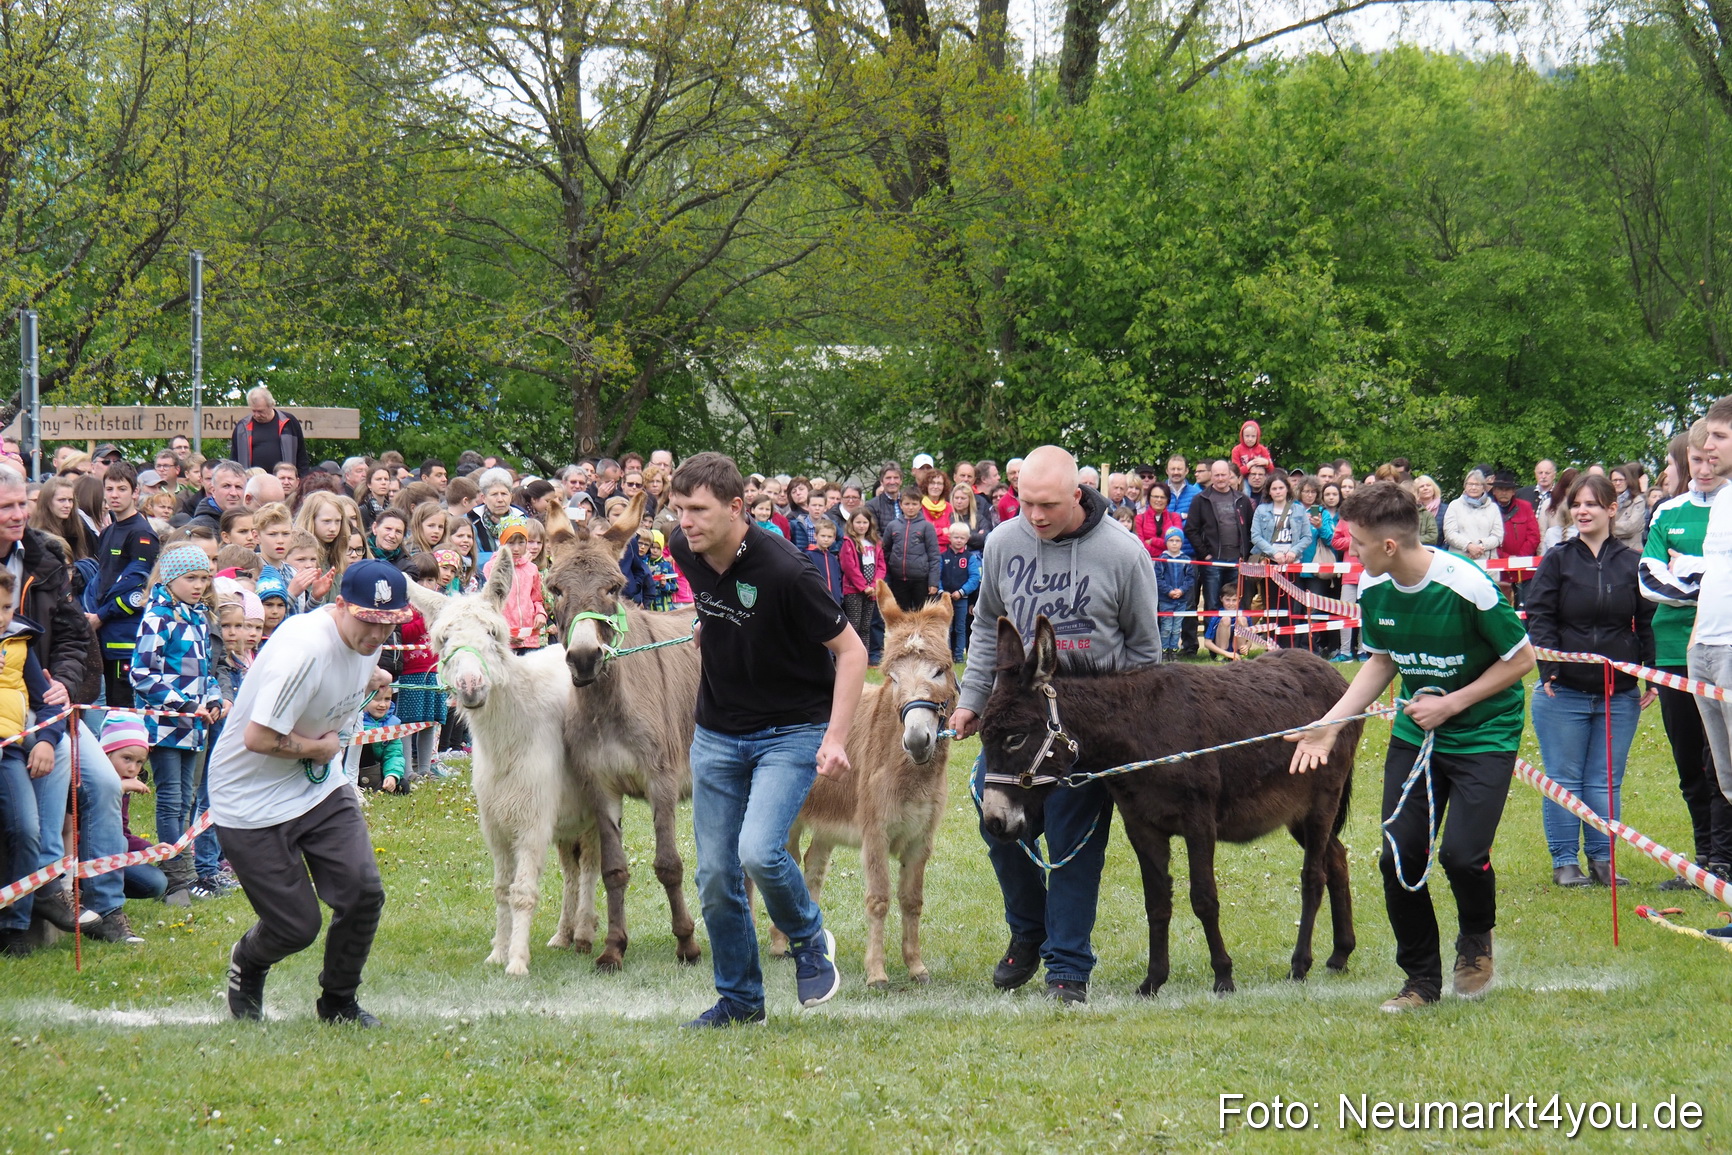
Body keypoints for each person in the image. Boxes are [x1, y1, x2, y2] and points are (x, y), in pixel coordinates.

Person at [1288, 481, 1535, 1012]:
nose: (1350, 550)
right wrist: (1330, 724)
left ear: (1389, 546)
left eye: (1356, 542)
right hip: (1413, 737)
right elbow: (1380, 660)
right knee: (1398, 858)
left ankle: (1475, 940)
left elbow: (1520, 660)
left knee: (1463, 857)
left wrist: (1452, 704)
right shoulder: (1376, 590)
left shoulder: (1469, 585)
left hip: (1484, 734)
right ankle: (1420, 981)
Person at [950, 446, 1161, 1006]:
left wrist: (1128, 733)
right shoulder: (1002, 542)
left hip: (1084, 730)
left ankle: (1068, 965)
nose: (1035, 516)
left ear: (1078, 494)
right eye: (1026, 504)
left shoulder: (1123, 553)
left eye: (1047, 505)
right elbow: (984, 628)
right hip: (1016, 719)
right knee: (996, 820)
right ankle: (1029, 930)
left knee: (1072, 841)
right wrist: (972, 699)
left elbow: (1144, 653)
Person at [667, 452, 866, 1027]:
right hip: (718, 733)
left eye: (698, 510)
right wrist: (716, 622)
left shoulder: (788, 571)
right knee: (715, 875)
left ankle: (808, 936)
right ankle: (740, 999)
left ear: (737, 509)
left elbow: (852, 653)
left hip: (791, 730)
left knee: (757, 851)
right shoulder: (687, 548)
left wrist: (834, 737)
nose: (686, 522)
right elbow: (722, 600)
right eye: (679, 509)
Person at [211, 559, 403, 1026]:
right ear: (340, 605)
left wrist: (368, 677)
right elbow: (256, 738)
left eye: (388, 624)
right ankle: (249, 960)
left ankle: (338, 1003)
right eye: (367, 620)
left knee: (363, 892)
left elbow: (354, 666)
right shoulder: (303, 650)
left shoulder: (368, 642)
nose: (377, 635)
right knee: (295, 926)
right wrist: (318, 748)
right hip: (248, 800)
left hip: (316, 788)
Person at [1525, 473, 1654, 888]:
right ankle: (1565, 862)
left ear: (1612, 510)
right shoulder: (1557, 559)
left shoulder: (1632, 563)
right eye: (1577, 504)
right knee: (1564, 780)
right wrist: (1550, 668)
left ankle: (1602, 860)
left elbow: (1647, 622)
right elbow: (1540, 616)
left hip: (1619, 692)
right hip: (1563, 691)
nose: (1582, 510)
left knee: (1604, 780)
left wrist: (1651, 674)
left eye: (1592, 504)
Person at [1640, 426, 1732, 882]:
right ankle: (1703, 859)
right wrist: (1709, 581)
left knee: (1723, 761)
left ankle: (1724, 861)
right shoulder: (1667, 511)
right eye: (1693, 461)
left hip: (1722, 648)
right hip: (1674, 650)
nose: (1703, 468)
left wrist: (1690, 569)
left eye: (1708, 458)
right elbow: (1649, 579)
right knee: (1689, 760)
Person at [130, 542, 226, 903]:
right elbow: (142, 674)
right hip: (167, 724)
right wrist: (184, 704)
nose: (199, 585)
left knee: (186, 799)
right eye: (191, 578)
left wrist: (213, 695)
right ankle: (177, 879)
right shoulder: (158, 617)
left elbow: (204, 672)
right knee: (170, 800)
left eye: (204, 578)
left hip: (194, 725)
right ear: (170, 579)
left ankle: (182, 874)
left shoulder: (198, 616)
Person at [0, 570, 72, 957]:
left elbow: (50, 704)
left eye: (7, 607)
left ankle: (15, 927)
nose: (1, 616)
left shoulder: (20, 643)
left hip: (11, 750)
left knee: (28, 829)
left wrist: (45, 740)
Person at [86, 462, 160, 708]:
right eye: (109, 489)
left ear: (135, 492)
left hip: (126, 639)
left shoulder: (142, 533)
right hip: (102, 634)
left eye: (121, 489)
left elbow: (139, 590)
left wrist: (101, 615)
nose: (114, 495)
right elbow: (102, 579)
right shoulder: (107, 532)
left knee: (123, 710)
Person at [1185, 460, 1255, 623]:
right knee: (1212, 604)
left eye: (1224, 475)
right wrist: (1205, 554)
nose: (1221, 478)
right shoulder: (1200, 499)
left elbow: (1251, 529)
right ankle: (1213, 646)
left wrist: (1245, 554)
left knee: (1236, 603)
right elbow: (1191, 529)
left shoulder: (1242, 500)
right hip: (1212, 562)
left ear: (1230, 476)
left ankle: (1234, 643)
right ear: (1211, 476)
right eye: (1217, 475)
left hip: (1236, 560)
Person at [229, 386, 312, 475]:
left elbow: (301, 456)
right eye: (254, 411)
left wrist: (303, 479)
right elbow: (234, 461)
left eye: (260, 411)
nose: (256, 415)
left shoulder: (289, 422)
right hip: (252, 482)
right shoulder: (242, 427)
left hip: (284, 481)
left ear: (271, 405)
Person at [879, 490, 940, 612]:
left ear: (920, 506)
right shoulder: (892, 526)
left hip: (920, 580)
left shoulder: (926, 527)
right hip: (898, 579)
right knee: (901, 614)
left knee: (921, 614)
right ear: (901, 505)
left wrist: (933, 582)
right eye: (907, 504)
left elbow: (934, 555)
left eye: (914, 504)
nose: (910, 507)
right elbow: (884, 551)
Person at [939, 521, 981, 662]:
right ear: (950, 537)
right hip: (944, 599)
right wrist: (941, 591)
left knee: (960, 627)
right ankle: (946, 654)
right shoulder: (943, 556)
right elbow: (937, 575)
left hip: (962, 599)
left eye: (962, 538)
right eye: (956, 537)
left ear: (967, 539)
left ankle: (958, 656)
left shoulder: (970, 558)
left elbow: (975, 578)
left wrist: (962, 591)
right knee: (946, 627)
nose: (959, 540)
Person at [1442, 469, 1503, 562]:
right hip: (1460, 560)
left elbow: (1498, 536)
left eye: (1477, 484)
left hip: (1487, 560)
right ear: (1465, 486)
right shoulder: (1454, 505)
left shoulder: (1493, 508)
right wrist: (1468, 546)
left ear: (1484, 487)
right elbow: (1450, 533)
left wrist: (1480, 547)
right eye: (1470, 484)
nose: (1473, 487)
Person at [1154, 527, 1196, 659]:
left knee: (1177, 628)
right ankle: (1164, 650)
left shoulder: (1185, 559)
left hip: (1181, 600)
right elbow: (1158, 578)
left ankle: (1174, 650)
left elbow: (1190, 578)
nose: (1174, 543)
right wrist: (1169, 591)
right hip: (1166, 599)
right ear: (1166, 542)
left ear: (1182, 542)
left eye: (1177, 540)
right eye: (1171, 540)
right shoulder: (1162, 559)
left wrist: (1181, 590)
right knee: (1166, 627)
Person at [1609, 463, 1648, 552]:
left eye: (1621, 480)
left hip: (1632, 551)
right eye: (1614, 480)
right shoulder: (1607, 501)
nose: (1618, 483)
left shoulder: (1638, 501)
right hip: (1611, 550)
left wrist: (1607, 526)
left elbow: (1630, 527)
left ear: (1627, 481)